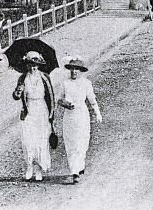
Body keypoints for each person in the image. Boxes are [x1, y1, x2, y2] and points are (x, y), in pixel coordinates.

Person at [57, 57, 102, 183]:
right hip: (69, 116)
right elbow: (59, 99)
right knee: (71, 142)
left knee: (82, 142)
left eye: (76, 69)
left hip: (82, 114)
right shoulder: (65, 83)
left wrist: (97, 113)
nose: (74, 72)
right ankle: (74, 171)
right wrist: (64, 103)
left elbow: (92, 100)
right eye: (72, 69)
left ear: (81, 71)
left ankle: (79, 165)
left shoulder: (86, 83)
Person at [12, 51, 55, 181]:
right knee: (28, 140)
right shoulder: (22, 78)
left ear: (39, 65)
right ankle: (29, 166)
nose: (33, 68)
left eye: (35, 65)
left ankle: (38, 169)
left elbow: (51, 97)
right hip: (29, 110)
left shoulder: (45, 77)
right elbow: (16, 96)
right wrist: (18, 92)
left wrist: (52, 115)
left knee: (41, 140)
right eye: (30, 65)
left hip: (42, 110)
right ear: (26, 65)